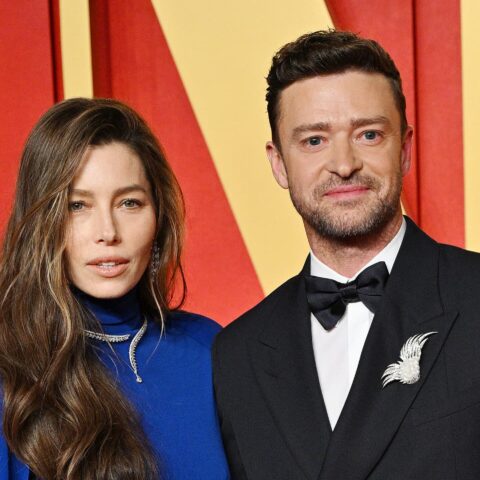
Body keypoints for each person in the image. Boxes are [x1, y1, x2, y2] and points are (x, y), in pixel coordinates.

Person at [213, 30, 480, 479]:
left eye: (369, 134)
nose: (343, 163)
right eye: (314, 140)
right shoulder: (237, 354)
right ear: (278, 162)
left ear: (406, 148)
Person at [0, 98, 229, 479]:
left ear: (159, 215)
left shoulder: (209, 348)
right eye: (78, 206)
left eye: (129, 203)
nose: (107, 232)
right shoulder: (11, 370)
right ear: (41, 222)